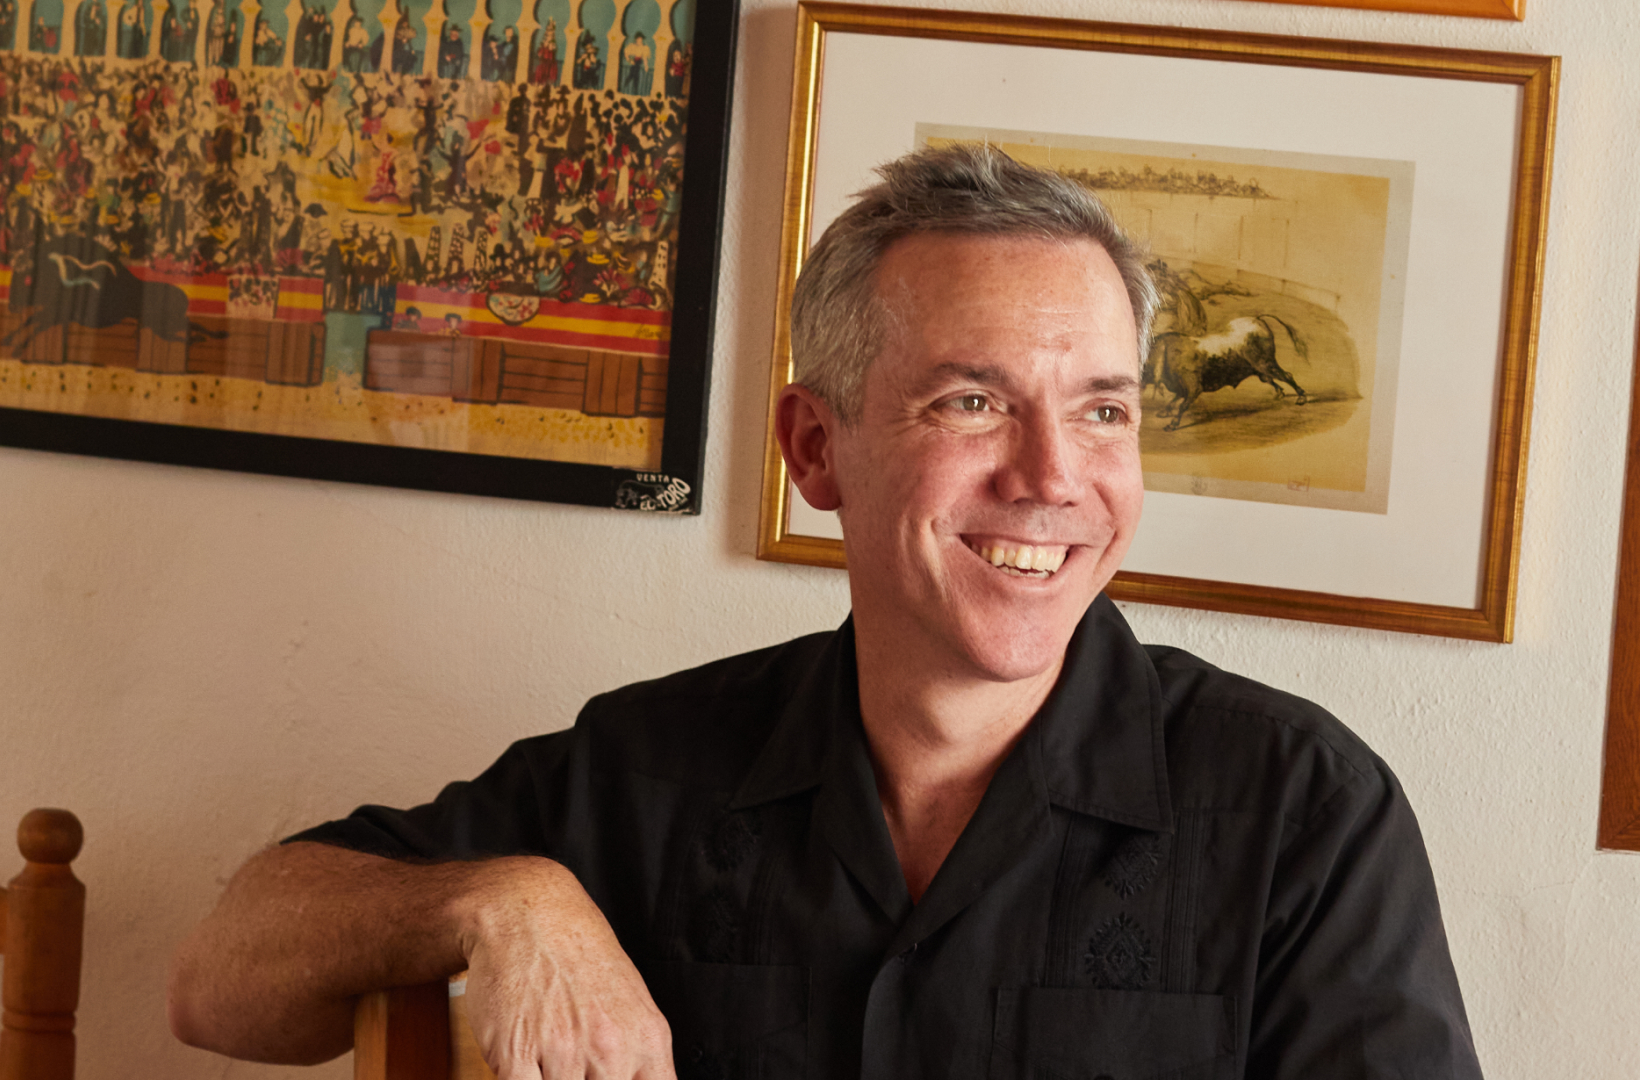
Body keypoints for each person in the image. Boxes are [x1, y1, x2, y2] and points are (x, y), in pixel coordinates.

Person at [167, 145, 1481, 1078]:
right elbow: (219, 985)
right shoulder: (646, 775)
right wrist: (493, 899)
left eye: (1102, 412)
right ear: (815, 448)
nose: (1049, 479)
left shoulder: (1304, 808)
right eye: (971, 402)